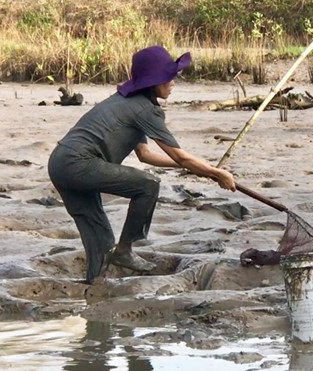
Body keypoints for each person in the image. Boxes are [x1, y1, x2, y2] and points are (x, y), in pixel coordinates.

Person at [48, 45, 236, 284]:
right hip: (79, 163)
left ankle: (95, 288)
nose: (174, 81)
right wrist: (215, 172)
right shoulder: (146, 110)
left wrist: (199, 169)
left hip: (58, 163)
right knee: (148, 184)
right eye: (168, 77)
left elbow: (145, 155)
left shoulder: (127, 101)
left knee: (101, 239)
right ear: (152, 81)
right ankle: (125, 250)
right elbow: (180, 157)